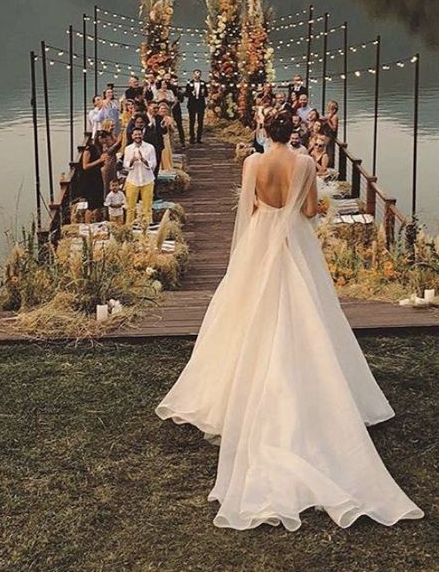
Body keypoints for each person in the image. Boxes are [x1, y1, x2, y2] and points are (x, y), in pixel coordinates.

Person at [155, 109, 423, 530]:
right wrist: (304, 205)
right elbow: (310, 211)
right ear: (293, 132)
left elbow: (248, 208)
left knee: (246, 307)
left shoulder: (252, 163)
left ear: (264, 131)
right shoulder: (303, 164)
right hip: (294, 240)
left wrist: (267, 208)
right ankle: (311, 378)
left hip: (261, 236)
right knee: (308, 308)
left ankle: (233, 390)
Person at [122, 127, 157, 223]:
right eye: (135, 135)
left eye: (139, 134)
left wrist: (144, 160)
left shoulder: (150, 147)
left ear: (143, 135)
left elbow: (154, 164)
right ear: (132, 136)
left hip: (147, 180)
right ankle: (129, 227)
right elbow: (125, 165)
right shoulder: (128, 149)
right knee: (130, 207)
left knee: (147, 207)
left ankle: (147, 227)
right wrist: (132, 161)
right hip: (133, 180)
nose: (138, 136)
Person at [76, 134, 108, 216]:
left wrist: (103, 161)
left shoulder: (100, 148)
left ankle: (95, 220)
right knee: (91, 204)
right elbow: (85, 166)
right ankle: (87, 223)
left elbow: (100, 164)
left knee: (98, 201)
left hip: (97, 176)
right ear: (100, 138)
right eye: (105, 139)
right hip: (90, 178)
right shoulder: (89, 149)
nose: (106, 142)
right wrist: (99, 160)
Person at [185, 69, 208, 144]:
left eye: (199, 74)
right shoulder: (189, 83)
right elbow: (186, 94)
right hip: (192, 104)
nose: (197, 75)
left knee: (200, 121)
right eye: (196, 73)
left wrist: (203, 93)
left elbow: (206, 94)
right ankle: (192, 138)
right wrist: (191, 93)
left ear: (200, 75)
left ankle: (199, 138)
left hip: (200, 104)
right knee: (192, 121)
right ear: (193, 75)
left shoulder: (203, 83)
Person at [157, 101, 176, 171]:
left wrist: (170, 125)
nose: (163, 110)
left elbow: (173, 130)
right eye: (161, 108)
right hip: (158, 137)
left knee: (166, 152)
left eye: (165, 108)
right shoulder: (156, 118)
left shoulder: (169, 119)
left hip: (166, 137)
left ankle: (166, 166)